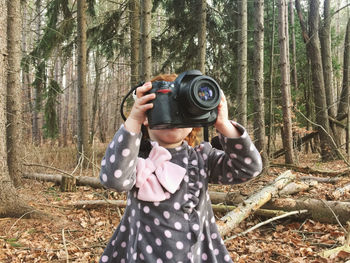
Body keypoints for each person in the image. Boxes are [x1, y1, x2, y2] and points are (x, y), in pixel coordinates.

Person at [99, 73, 262, 263]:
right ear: (146, 116)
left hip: (194, 256)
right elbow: (113, 179)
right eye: (165, 105)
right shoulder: (134, 158)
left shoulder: (202, 158)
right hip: (141, 256)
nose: (174, 115)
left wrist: (223, 125)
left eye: (181, 109)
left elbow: (248, 168)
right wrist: (133, 120)